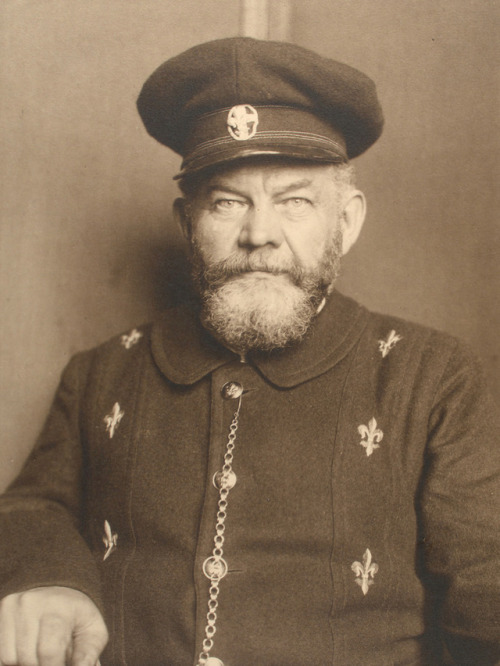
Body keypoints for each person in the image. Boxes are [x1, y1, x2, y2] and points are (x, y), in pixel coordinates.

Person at [0, 36, 498, 666]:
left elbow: (488, 595)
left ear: (346, 222)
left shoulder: (431, 377)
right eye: (228, 202)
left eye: (294, 202)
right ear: (187, 223)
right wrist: (46, 575)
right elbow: (31, 504)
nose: (259, 234)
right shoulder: (101, 374)